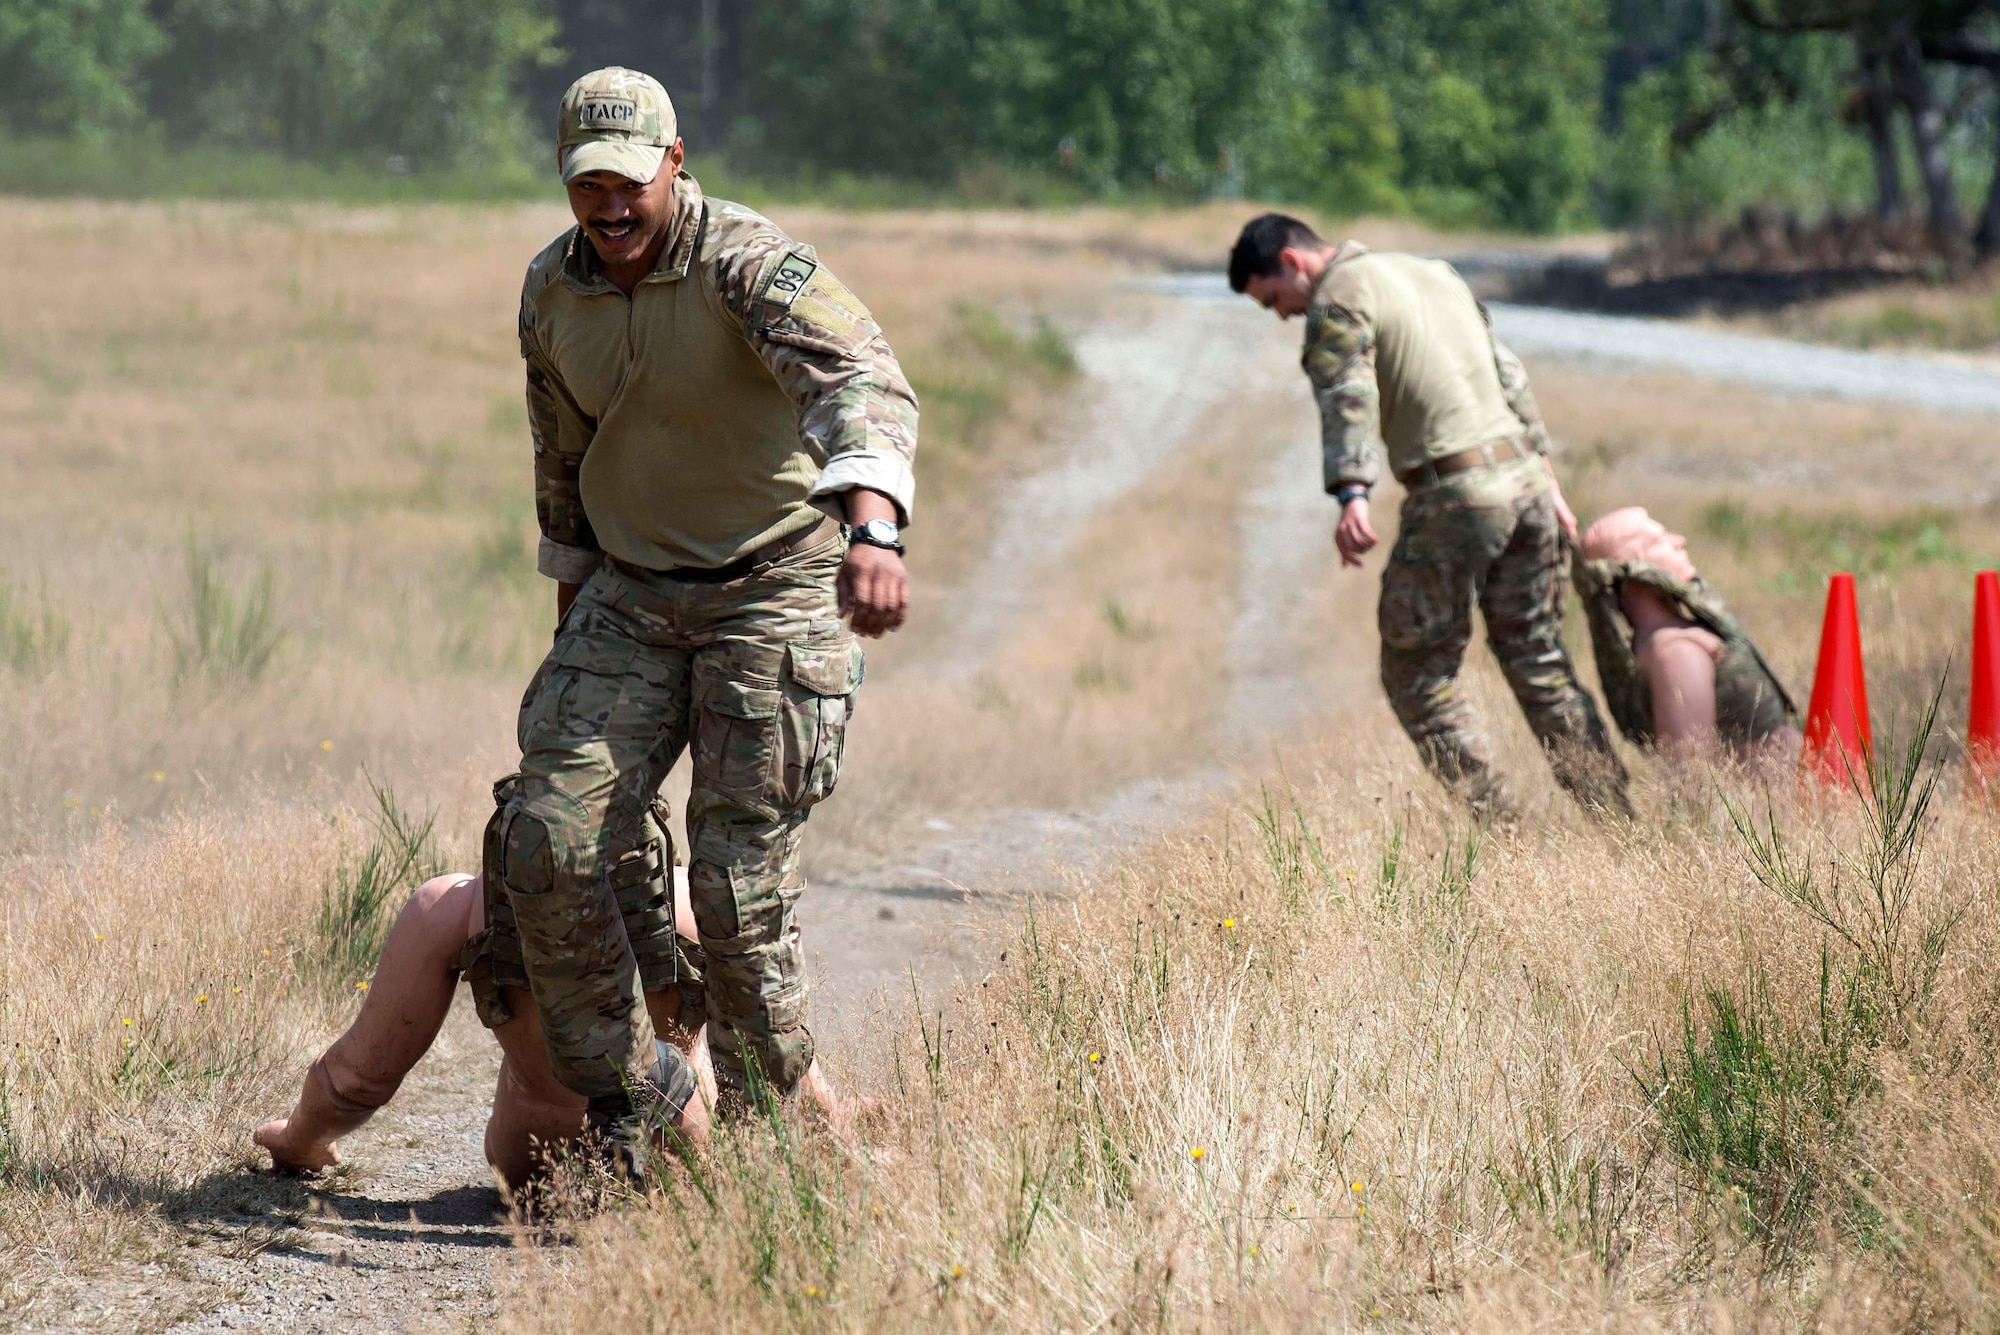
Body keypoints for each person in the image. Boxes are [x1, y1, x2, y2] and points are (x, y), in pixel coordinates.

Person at [487, 66, 919, 1170]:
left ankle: (776, 1134)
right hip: (630, 594)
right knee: (548, 838)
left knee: (732, 883)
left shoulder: (746, 265)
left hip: (769, 583)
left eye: (631, 182)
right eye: (590, 186)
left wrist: (872, 531)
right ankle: (632, 1094)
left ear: (675, 164)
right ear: (566, 182)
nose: (612, 208)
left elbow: (861, 384)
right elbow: (562, 458)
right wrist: (571, 618)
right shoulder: (552, 290)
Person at [1228, 213, 1630, 820]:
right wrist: (1546, 477)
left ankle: (1501, 827)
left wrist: (1351, 491)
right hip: (1521, 482)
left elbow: (1346, 390)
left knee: (1415, 672)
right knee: (1537, 656)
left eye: (1274, 300)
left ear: (1291, 261)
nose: (1282, 314)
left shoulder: (1340, 294)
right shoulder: (1434, 273)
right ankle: (1618, 820)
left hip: (1458, 496)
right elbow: (1508, 374)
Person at [254, 830, 866, 1188]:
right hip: (675, 1159)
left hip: (535, 1166)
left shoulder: (455, 906)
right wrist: (830, 1123)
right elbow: (773, 1048)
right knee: (700, 1056)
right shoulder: (692, 901)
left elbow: (358, 1074)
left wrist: (301, 1139)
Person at [1575, 507, 1800, 763]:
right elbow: (1690, 776)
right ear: (1634, 565)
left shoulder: (1677, 638)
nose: (1678, 541)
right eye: (1658, 540)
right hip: (1765, 799)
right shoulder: (1675, 652)